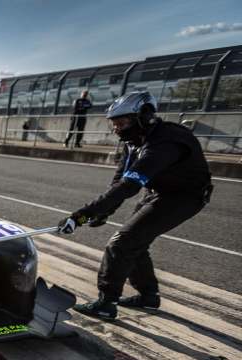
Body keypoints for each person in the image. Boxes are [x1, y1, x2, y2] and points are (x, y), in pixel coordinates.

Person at [58, 92, 212, 319]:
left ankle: (106, 303)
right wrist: (102, 212)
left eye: (121, 123)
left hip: (183, 197)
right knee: (135, 242)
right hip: (157, 191)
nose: (117, 129)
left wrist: (80, 216)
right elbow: (119, 181)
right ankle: (149, 296)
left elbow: (130, 186)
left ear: (144, 117)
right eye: (114, 124)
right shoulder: (133, 141)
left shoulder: (165, 141)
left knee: (122, 243)